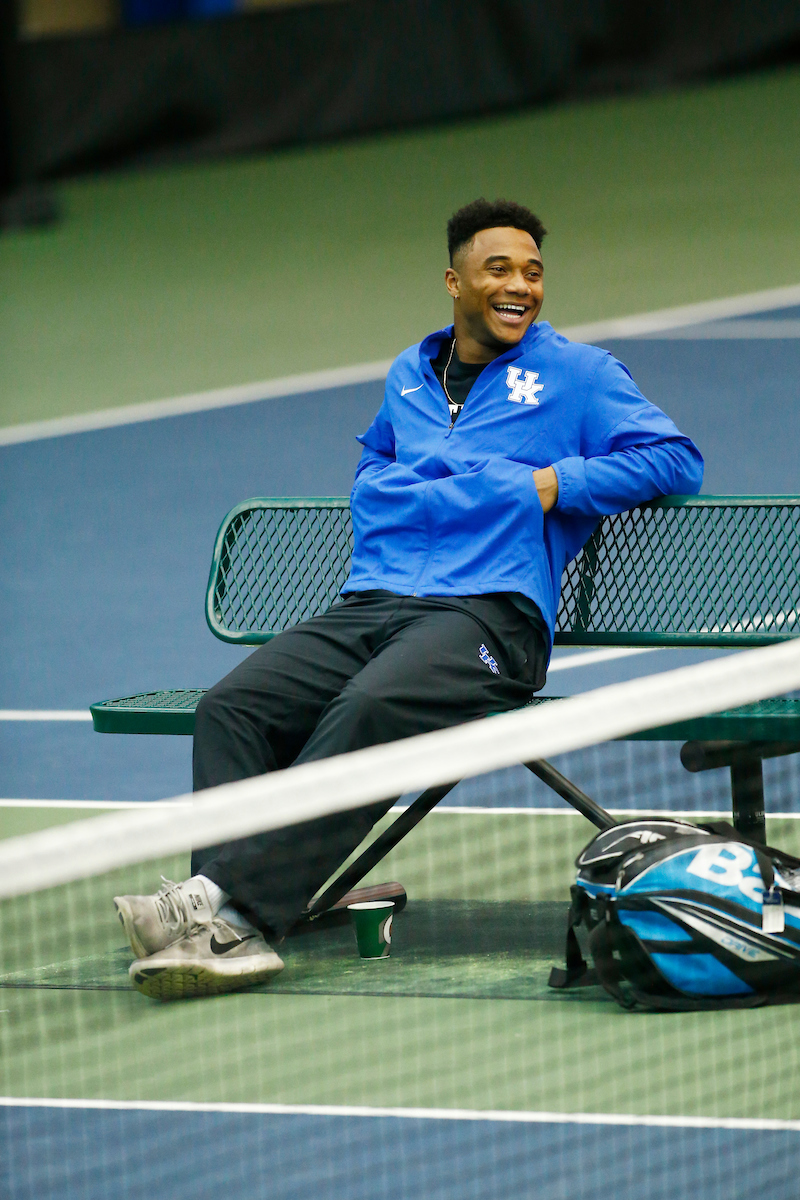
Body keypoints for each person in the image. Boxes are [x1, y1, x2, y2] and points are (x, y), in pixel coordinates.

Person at [114, 197, 704, 999]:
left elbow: (674, 460)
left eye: (533, 273)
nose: (520, 287)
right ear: (454, 280)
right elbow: (372, 475)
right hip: (375, 603)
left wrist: (552, 483)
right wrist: (424, 495)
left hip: (489, 617)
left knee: (369, 707)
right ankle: (231, 917)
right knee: (234, 707)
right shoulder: (407, 375)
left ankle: (221, 908)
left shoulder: (579, 375)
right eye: (499, 269)